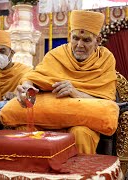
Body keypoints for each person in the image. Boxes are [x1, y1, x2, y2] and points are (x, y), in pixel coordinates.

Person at [16, 10, 117, 154]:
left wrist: (75, 92)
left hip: (82, 122)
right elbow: (34, 78)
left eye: (86, 40)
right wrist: (27, 88)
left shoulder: (105, 59)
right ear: (69, 36)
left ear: (98, 40)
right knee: (24, 131)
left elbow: (106, 100)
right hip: (48, 119)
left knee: (81, 134)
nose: (79, 45)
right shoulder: (56, 54)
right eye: (75, 38)